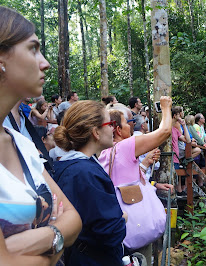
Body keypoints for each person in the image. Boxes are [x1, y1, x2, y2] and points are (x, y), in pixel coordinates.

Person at [0, 6, 81, 264]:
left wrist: (50, 237)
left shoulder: (20, 143)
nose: (45, 62)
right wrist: (56, 245)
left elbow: (74, 217)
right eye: (33, 49)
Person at [98, 96, 173, 264]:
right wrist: (166, 108)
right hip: (136, 232)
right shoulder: (123, 147)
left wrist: (145, 163)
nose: (130, 126)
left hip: (121, 230)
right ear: (117, 129)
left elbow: (125, 179)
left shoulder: (106, 152)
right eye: (127, 123)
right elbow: (164, 132)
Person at [53, 100, 127, 266]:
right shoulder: (84, 173)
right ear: (96, 132)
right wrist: (123, 219)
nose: (113, 129)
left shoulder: (71, 165)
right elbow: (110, 232)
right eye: (110, 123)